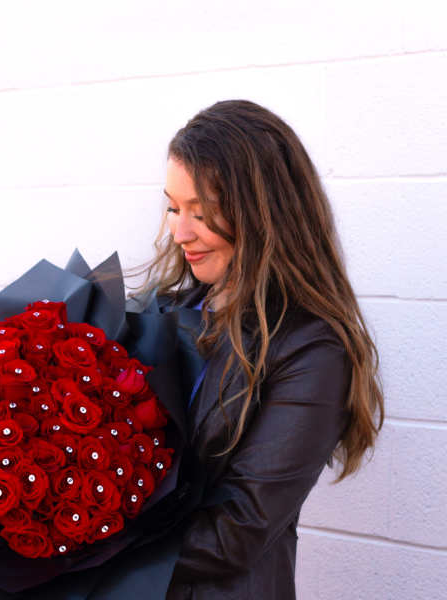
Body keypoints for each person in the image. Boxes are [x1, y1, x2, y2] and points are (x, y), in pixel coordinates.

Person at [125, 99, 384, 599]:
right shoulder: (160, 311)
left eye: (202, 213)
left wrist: (80, 544)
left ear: (265, 214)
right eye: (174, 208)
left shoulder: (312, 351)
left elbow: (236, 533)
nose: (180, 232)